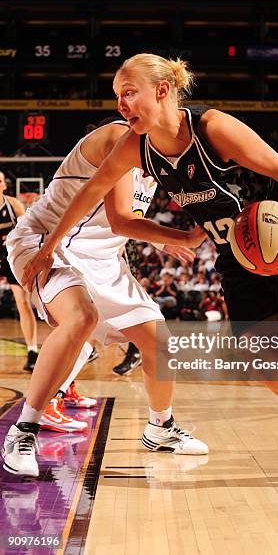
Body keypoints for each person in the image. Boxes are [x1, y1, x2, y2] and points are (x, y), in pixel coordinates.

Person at [19, 53, 278, 494]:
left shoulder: (213, 128)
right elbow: (93, 191)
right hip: (236, 260)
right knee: (269, 369)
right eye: (117, 97)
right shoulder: (134, 145)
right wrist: (49, 248)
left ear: (162, 91)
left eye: (130, 93)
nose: (122, 105)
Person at [2, 118, 209, 478]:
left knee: (160, 343)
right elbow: (121, 220)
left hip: (103, 258)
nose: (124, 103)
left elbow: (126, 219)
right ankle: (23, 432)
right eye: (121, 93)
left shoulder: (162, 161)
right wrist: (184, 237)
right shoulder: (118, 137)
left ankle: (160, 427)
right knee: (81, 317)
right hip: (50, 242)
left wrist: (162, 240)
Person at [0, 171, 39, 371]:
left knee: (23, 301)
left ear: (4, 185)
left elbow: (27, 231)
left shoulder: (13, 205)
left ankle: (32, 350)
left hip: (11, 256)